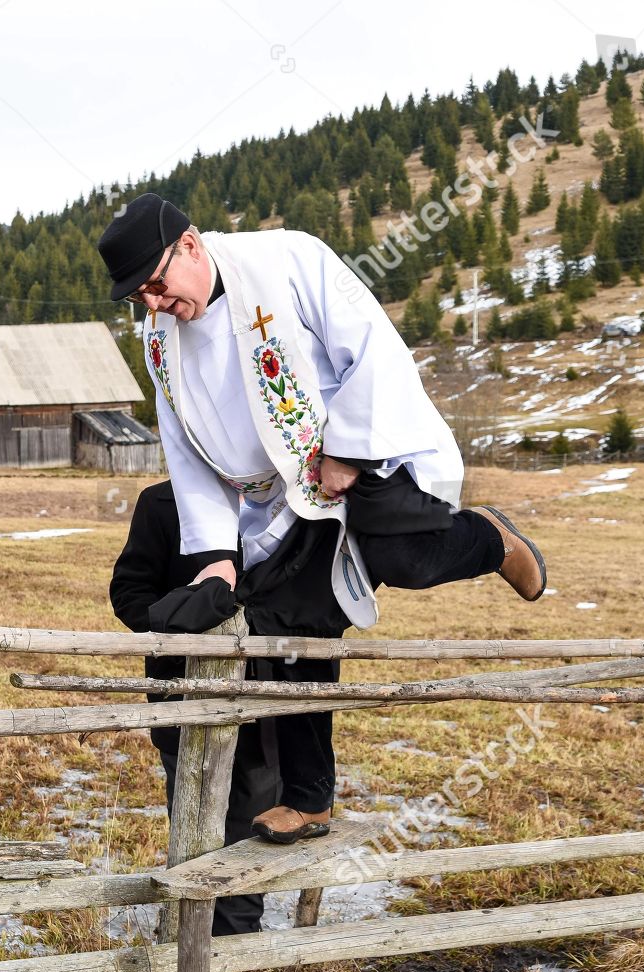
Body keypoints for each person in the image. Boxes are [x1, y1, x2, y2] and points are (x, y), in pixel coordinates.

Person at [97, 194, 546, 844]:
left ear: (190, 246)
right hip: (278, 497)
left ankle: (494, 540)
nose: (154, 305)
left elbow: (374, 347)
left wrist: (345, 448)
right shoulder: (160, 337)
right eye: (140, 296)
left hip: (356, 461)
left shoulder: (289, 261)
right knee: (288, 622)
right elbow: (183, 448)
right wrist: (215, 556)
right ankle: (310, 798)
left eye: (158, 286)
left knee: (405, 559)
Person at [109, 479, 345, 934]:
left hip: (270, 708)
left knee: (251, 831)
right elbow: (129, 592)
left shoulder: (297, 498)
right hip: (184, 704)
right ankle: (188, 939)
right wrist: (184, 619)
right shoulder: (163, 501)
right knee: (193, 832)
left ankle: (235, 948)